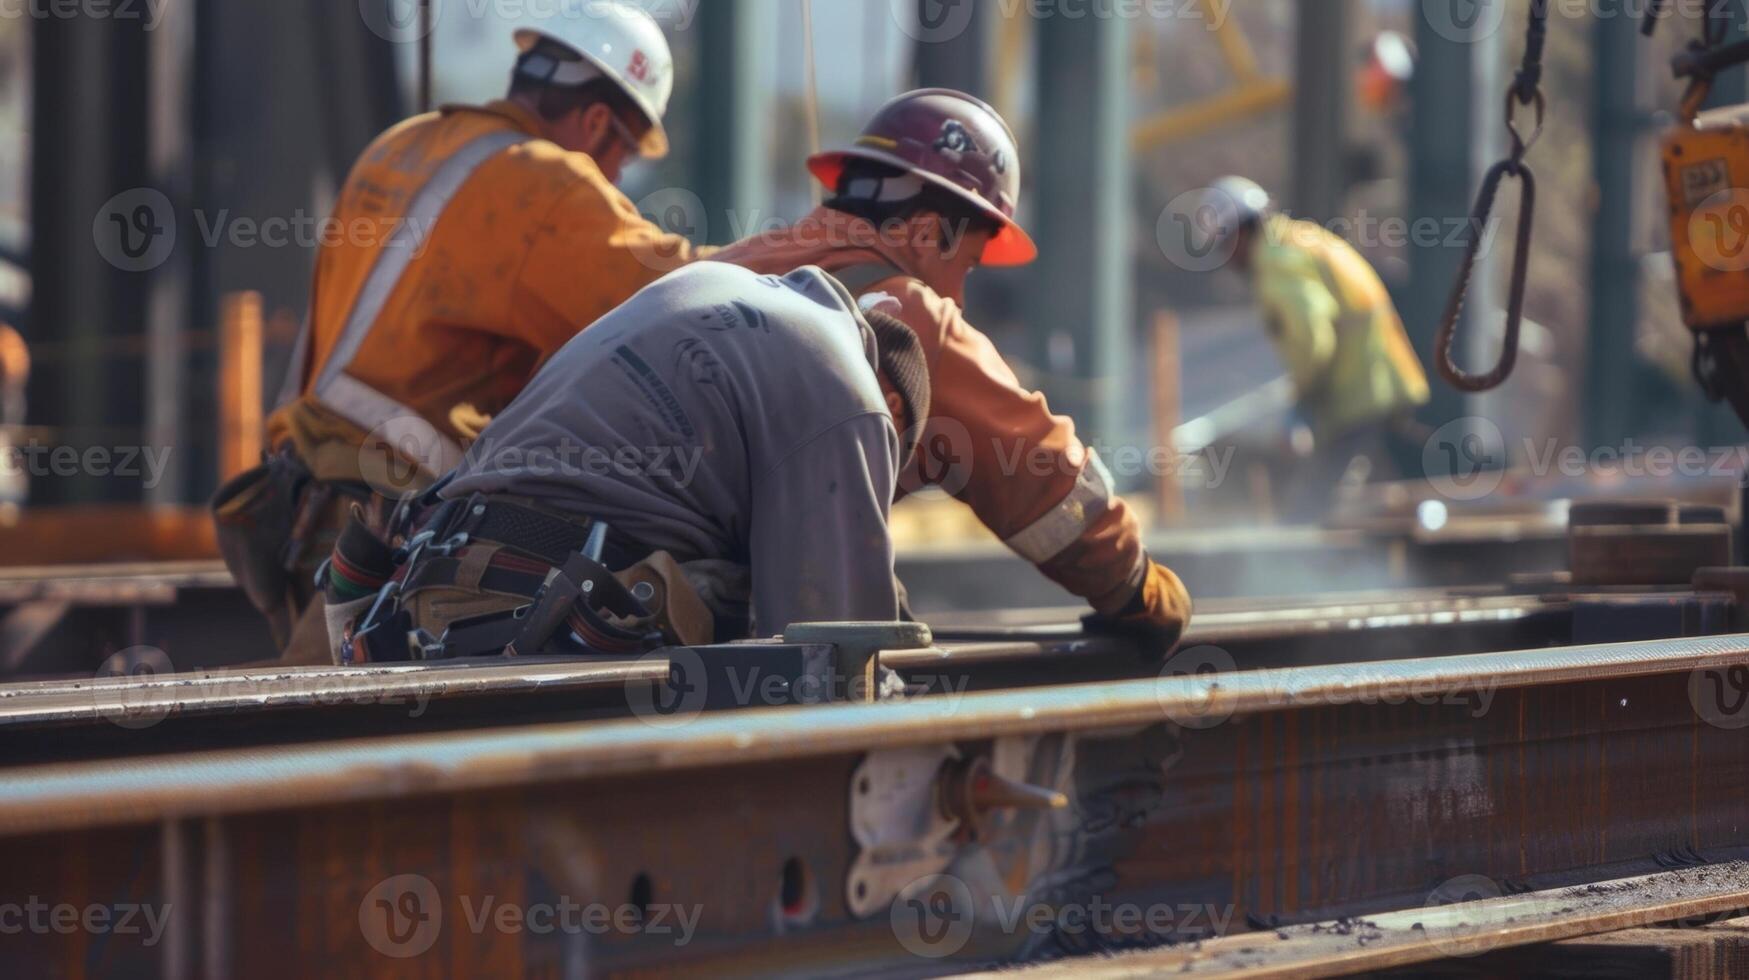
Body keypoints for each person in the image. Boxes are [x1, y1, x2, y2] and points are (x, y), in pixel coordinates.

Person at [214, 1, 708, 658]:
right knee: (351, 742)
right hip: (386, 525)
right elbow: (678, 296)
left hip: (304, 506)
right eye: (623, 152)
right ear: (595, 121)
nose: (616, 177)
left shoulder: (407, 142)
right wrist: (814, 251)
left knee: (316, 730)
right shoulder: (543, 183)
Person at [712, 89, 1190, 647]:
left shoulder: (731, 265)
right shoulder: (911, 318)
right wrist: (1137, 587)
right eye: (965, 263)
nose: (959, 296)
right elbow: (1041, 475)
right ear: (925, 232)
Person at [326, 261, 932, 661]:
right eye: (884, 474)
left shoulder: (716, 287)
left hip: (428, 590)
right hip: (529, 613)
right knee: (749, 621)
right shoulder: (851, 398)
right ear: (894, 408)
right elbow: (836, 650)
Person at [1199, 176, 1431, 521]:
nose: (1225, 258)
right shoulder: (1298, 238)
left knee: (1308, 507)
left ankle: (1303, 570)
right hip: (1379, 379)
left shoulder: (1276, 260)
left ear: (1238, 232)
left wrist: (1303, 400)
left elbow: (1313, 337)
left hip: (1359, 391)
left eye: (1222, 245)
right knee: (1387, 490)